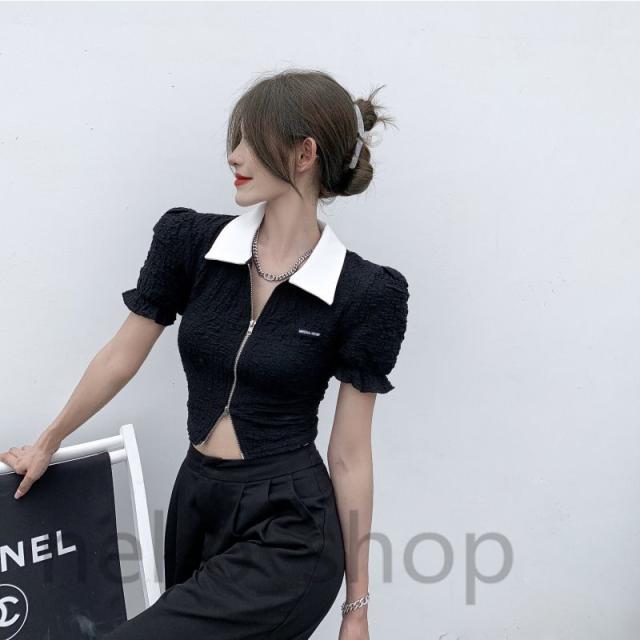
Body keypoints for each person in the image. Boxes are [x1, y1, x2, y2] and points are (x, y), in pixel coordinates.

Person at [0, 68, 410, 639]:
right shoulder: (190, 242)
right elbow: (121, 356)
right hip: (197, 501)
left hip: (292, 524)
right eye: (235, 139)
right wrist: (49, 441)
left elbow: (349, 455)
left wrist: (356, 607)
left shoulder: (366, 292)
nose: (234, 155)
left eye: (251, 140)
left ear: (304, 154)